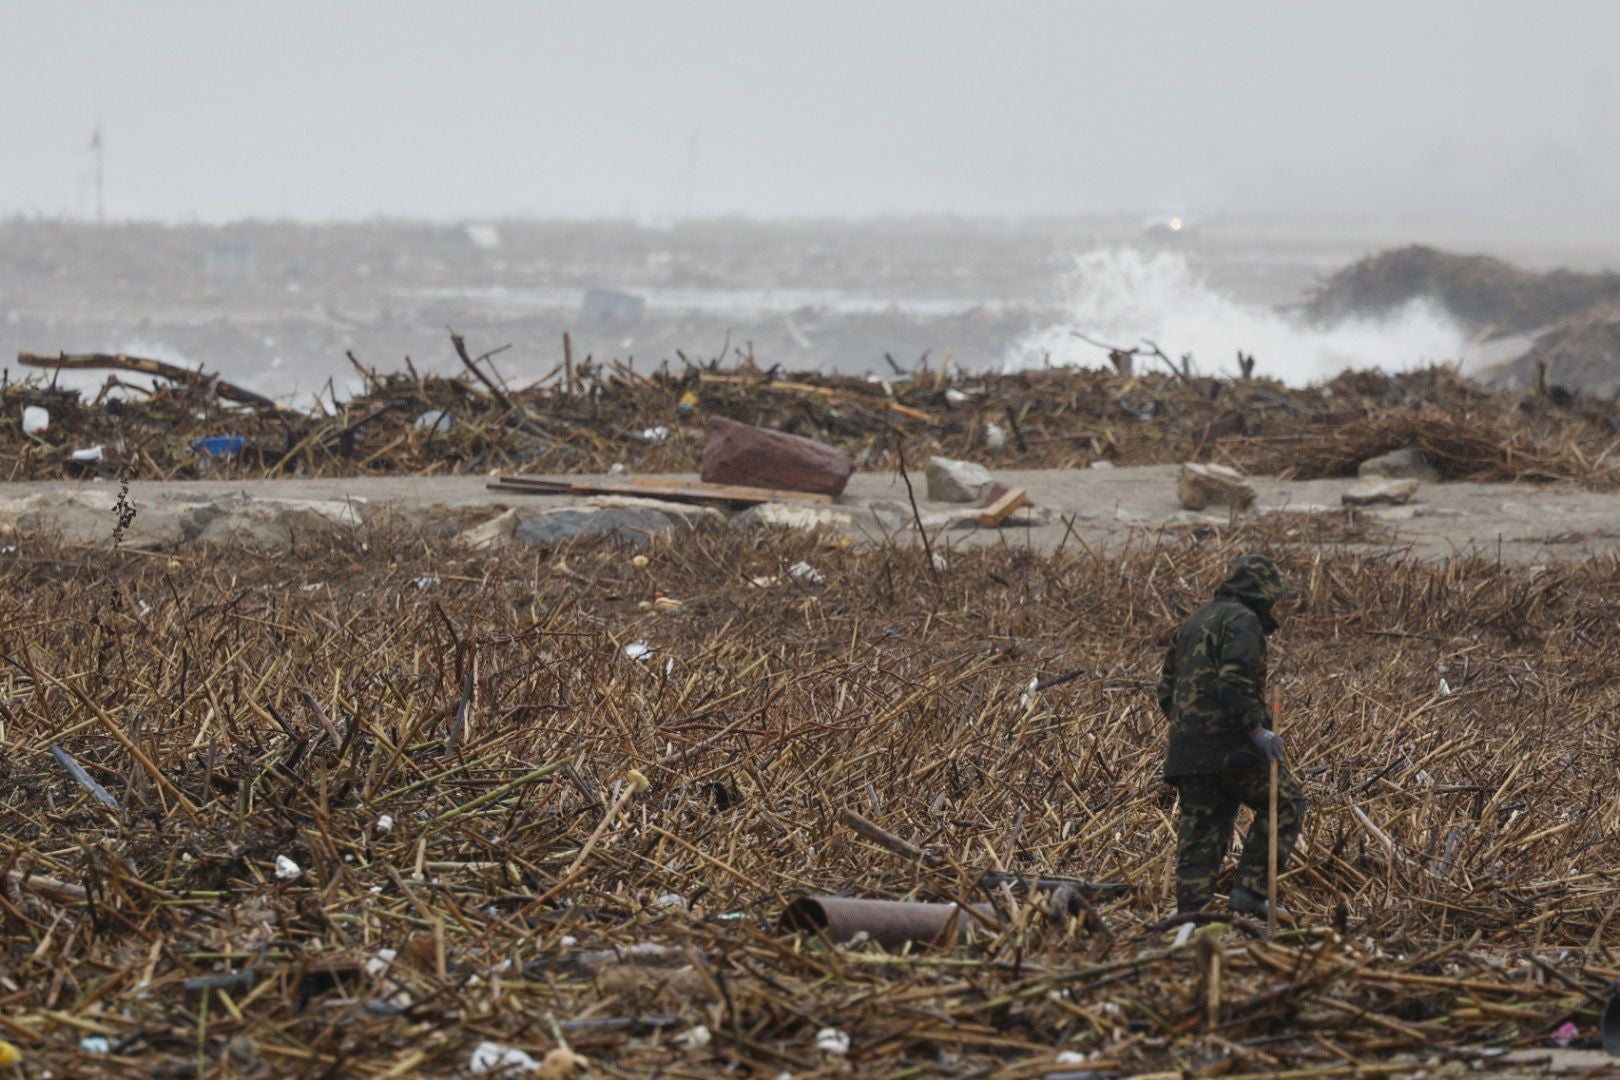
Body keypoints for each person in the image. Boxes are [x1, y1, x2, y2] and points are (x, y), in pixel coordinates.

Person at [1155, 553, 1306, 918]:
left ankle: (1192, 916)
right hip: (1232, 746)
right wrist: (1256, 730)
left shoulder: (1191, 623)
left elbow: (1165, 691)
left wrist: (1191, 731)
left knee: (1201, 829)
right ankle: (1252, 891)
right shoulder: (1244, 620)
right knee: (1286, 802)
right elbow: (1234, 680)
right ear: (1259, 593)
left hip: (1188, 753)